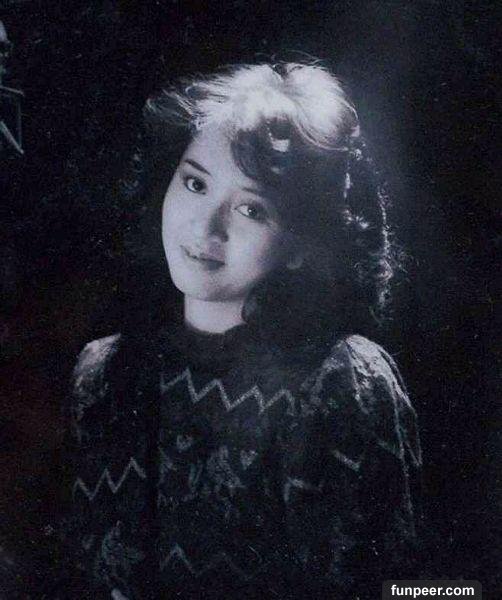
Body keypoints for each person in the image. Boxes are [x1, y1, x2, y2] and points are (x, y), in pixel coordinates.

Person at [59, 61, 422, 599]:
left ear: (300, 246)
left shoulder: (342, 382)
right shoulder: (102, 372)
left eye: (251, 209)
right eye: (195, 183)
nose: (205, 227)